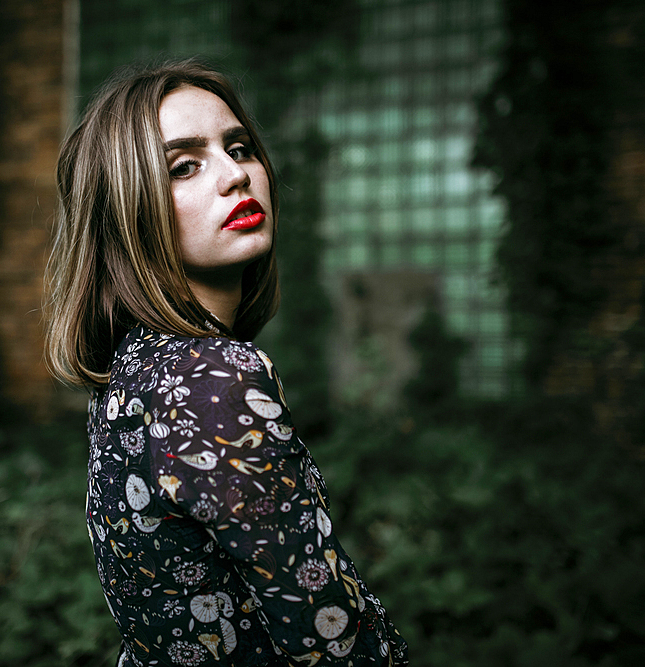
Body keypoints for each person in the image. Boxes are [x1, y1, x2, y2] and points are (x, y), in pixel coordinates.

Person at [44, 59, 408, 666]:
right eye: (184, 165)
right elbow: (331, 638)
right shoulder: (213, 379)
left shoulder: (137, 370)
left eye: (239, 147)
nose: (235, 175)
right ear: (127, 212)